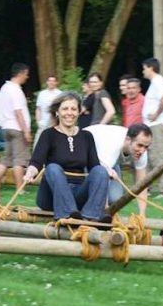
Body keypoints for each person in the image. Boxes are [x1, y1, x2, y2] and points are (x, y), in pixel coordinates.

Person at [23, 92, 110, 222]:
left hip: (78, 193)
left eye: (73, 109)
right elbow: (36, 161)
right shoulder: (48, 134)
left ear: (79, 112)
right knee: (52, 167)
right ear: (57, 112)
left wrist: (106, 171)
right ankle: (67, 214)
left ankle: (91, 217)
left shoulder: (87, 136)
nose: (69, 113)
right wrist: (30, 172)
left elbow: (94, 167)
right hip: (51, 195)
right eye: (65, 109)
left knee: (101, 171)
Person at [85, 123, 152, 216]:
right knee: (101, 197)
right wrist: (106, 212)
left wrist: (142, 215)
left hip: (106, 162)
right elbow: (102, 176)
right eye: (139, 145)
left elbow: (142, 184)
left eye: (146, 147)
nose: (143, 150)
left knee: (116, 197)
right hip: (84, 152)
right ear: (128, 139)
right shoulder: (113, 145)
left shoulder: (142, 151)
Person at [142, 57, 163, 199]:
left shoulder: (159, 81)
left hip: (157, 124)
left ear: (151, 68)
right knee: (149, 158)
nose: (143, 71)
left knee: (159, 157)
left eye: (144, 68)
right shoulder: (155, 83)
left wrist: (156, 114)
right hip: (151, 125)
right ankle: (147, 188)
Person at [0, 63, 32, 187]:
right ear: (21, 73)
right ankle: (20, 188)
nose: (27, 77)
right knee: (19, 160)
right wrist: (26, 131)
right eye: (26, 74)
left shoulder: (4, 88)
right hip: (17, 128)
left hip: (6, 126)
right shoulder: (16, 90)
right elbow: (18, 112)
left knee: (6, 159)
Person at [34, 74, 63, 149]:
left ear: (56, 83)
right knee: (38, 142)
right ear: (47, 82)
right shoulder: (42, 94)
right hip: (43, 122)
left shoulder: (60, 94)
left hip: (55, 122)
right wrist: (38, 121)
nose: (51, 83)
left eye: (53, 81)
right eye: (50, 81)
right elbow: (38, 108)